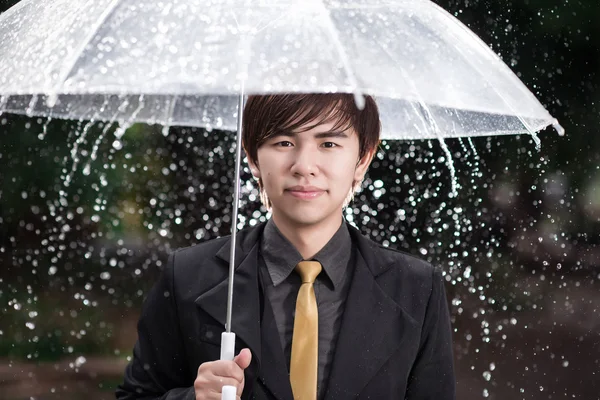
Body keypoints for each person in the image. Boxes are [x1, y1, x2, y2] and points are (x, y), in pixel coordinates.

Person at [116, 94, 456, 400]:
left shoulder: (417, 287)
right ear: (251, 158)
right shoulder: (188, 275)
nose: (304, 166)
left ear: (363, 159)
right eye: (283, 142)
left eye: (328, 144)